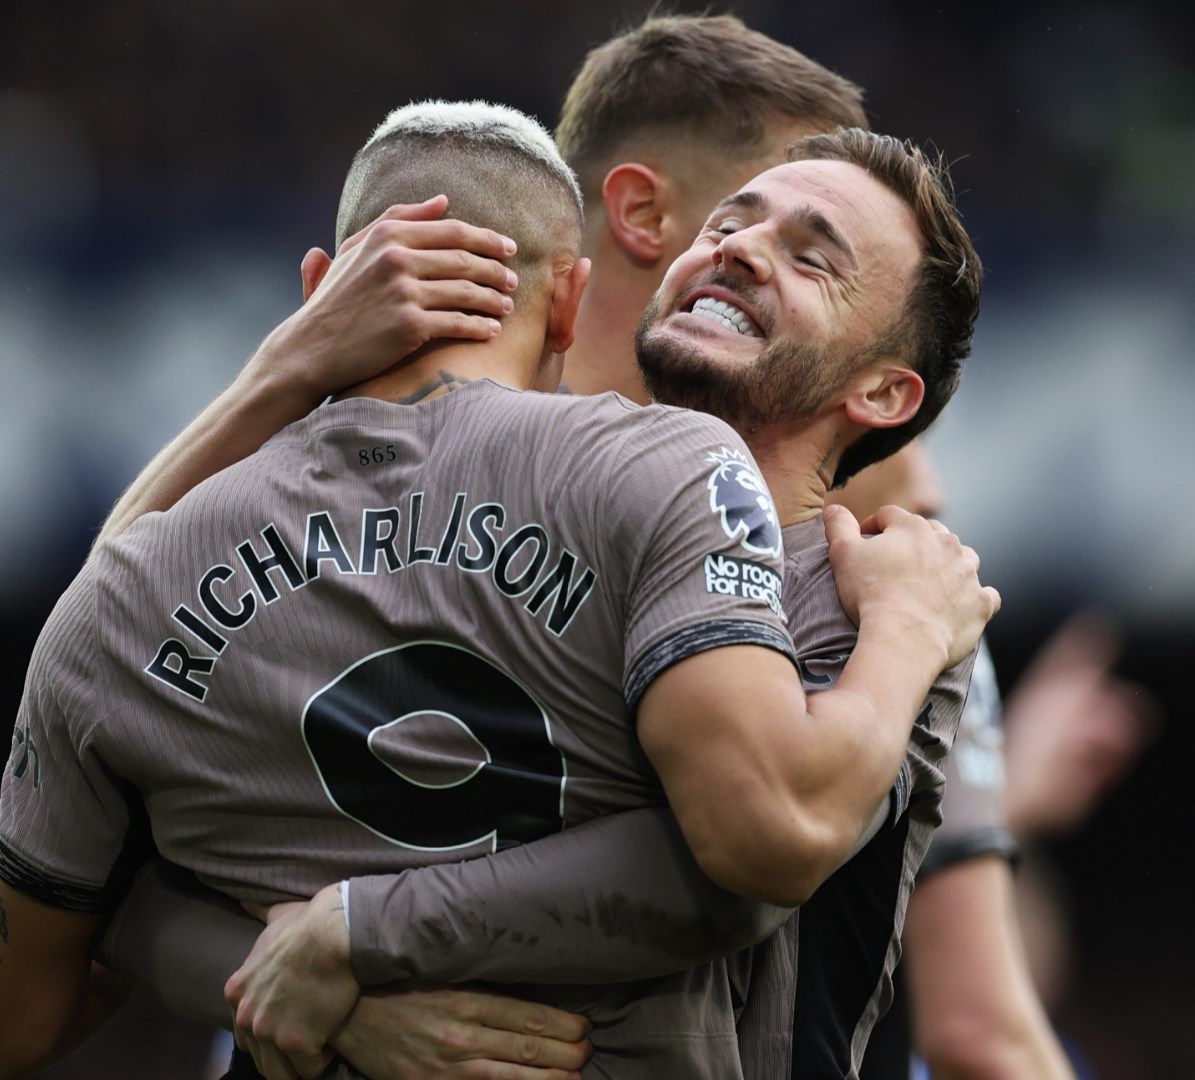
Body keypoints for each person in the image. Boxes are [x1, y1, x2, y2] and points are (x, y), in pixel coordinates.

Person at [95, 15, 1066, 1080]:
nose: (749, 243)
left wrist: (357, 939)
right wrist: (332, 993)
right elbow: (99, 754)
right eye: (751, 201)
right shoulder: (391, 506)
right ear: (648, 215)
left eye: (815, 245)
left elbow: (758, 855)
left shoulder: (883, 582)